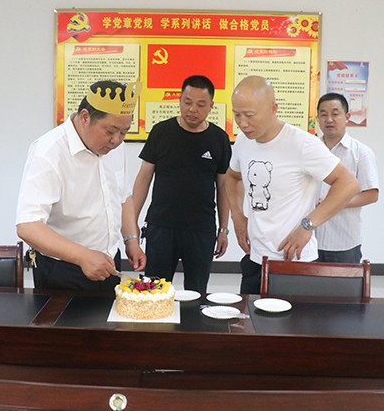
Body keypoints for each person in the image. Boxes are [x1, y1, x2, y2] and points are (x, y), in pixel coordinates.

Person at [226, 76, 360, 294]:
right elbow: (232, 177)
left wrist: (308, 225)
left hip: (296, 262)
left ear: (273, 108)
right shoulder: (243, 142)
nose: (243, 123)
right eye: (237, 114)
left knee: (293, 317)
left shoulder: (302, 144)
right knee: (249, 315)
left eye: (249, 115)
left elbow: (348, 184)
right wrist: (238, 217)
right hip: (255, 259)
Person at [16, 80, 145, 291]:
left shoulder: (114, 147)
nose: (116, 140)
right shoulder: (49, 151)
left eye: (124, 132)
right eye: (110, 131)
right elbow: (28, 226)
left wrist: (131, 240)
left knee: (108, 313)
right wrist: (83, 256)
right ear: (85, 117)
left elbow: (122, 196)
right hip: (63, 269)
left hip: (109, 262)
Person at [132, 75, 231, 294]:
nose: (192, 109)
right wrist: (132, 223)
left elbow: (224, 187)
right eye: (187, 102)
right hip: (161, 226)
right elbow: (143, 178)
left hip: (201, 229)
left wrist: (223, 229)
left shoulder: (219, 139)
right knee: (154, 291)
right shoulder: (161, 132)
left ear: (211, 106)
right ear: (179, 100)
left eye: (201, 104)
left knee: (197, 292)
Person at [315, 93, 379, 263]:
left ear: (347, 117)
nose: (329, 119)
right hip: (309, 240)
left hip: (344, 242)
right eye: (323, 114)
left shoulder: (361, 152)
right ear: (318, 118)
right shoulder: (310, 151)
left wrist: (335, 203)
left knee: (343, 282)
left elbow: (372, 194)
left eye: (335, 114)